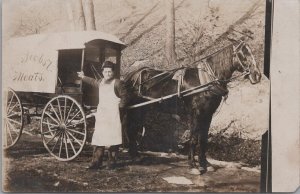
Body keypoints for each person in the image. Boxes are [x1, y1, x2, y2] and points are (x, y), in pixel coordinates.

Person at [77, 61, 128, 170]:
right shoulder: (100, 82)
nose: (108, 74)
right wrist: (83, 77)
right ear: (102, 72)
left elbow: (124, 96)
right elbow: (92, 81)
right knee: (99, 138)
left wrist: (120, 109)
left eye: (110, 71)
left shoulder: (118, 83)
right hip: (102, 115)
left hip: (113, 116)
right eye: (106, 71)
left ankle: (111, 163)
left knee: (113, 139)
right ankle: (96, 163)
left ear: (113, 72)